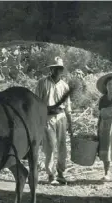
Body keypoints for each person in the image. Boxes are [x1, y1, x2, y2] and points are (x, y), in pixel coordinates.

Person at [35, 57, 72, 185]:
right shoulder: (42, 83)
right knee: (50, 146)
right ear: (51, 69)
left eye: (60, 68)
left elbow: (68, 107)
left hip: (61, 117)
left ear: (62, 70)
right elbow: (37, 103)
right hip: (48, 117)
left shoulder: (65, 86)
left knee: (62, 146)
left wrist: (70, 124)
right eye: (55, 68)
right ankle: (51, 175)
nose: (57, 71)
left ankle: (61, 173)